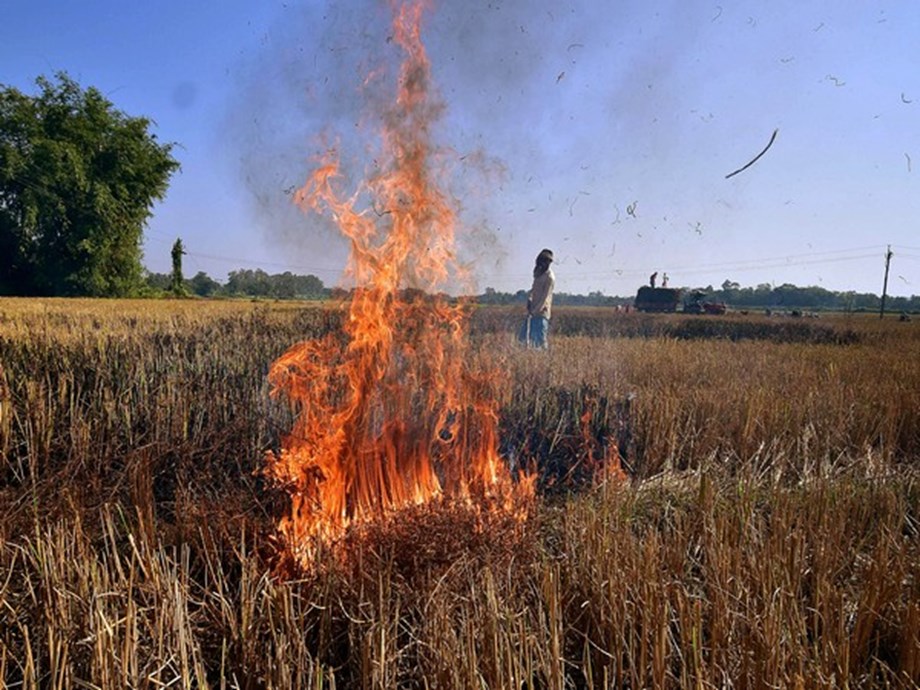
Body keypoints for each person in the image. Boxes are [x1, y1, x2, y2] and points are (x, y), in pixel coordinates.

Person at [519, 248, 555, 348]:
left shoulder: (550, 277)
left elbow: (545, 298)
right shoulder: (538, 273)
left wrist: (534, 311)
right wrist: (529, 299)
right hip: (532, 312)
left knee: (539, 341)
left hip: (541, 313)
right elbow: (533, 289)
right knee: (523, 338)